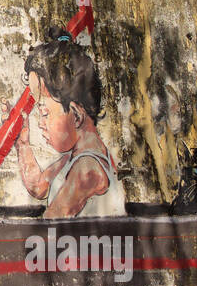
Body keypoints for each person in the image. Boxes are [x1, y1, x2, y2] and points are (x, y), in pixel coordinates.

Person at [11, 26, 125, 219]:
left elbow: (52, 220)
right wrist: (22, 143)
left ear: (76, 115)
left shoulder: (87, 169)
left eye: (45, 113)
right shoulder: (71, 158)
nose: (40, 123)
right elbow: (39, 186)